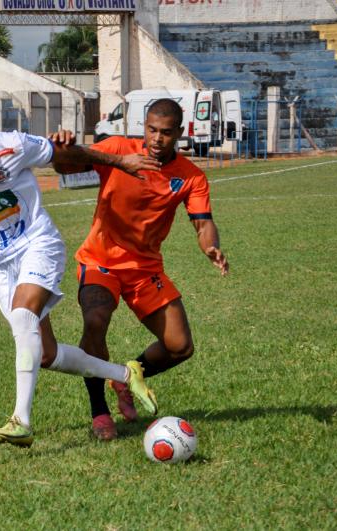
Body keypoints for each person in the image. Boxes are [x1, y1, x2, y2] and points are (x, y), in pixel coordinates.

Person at [0, 106, 162, 447]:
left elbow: (64, 151)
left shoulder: (13, 145)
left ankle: (21, 421)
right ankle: (126, 374)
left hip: (38, 243)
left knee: (23, 315)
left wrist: (121, 162)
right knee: (45, 355)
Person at [57, 98, 229, 440]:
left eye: (166, 132)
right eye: (151, 129)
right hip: (100, 260)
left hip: (144, 268)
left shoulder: (191, 177)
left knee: (180, 346)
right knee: (95, 321)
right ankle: (99, 413)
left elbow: (203, 223)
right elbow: (65, 166)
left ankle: (128, 374)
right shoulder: (120, 149)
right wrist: (65, 147)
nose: (157, 138)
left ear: (179, 133)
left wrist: (210, 246)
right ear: (144, 126)